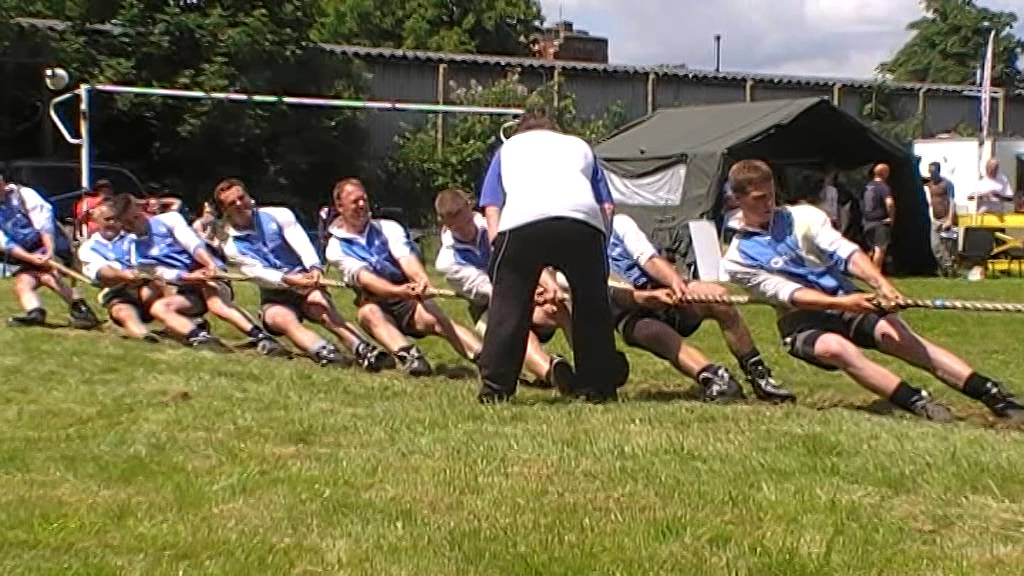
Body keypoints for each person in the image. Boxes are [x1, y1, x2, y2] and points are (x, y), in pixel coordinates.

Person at [722, 159, 1024, 422]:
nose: (768, 205)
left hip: (848, 298)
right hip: (802, 319)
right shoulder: (737, 258)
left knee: (899, 338)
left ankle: (994, 396)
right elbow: (786, 293)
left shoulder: (804, 216)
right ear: (737, 198)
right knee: (837, 349)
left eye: (771, 195)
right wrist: (844, 304)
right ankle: (917, 402)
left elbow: (845, 252)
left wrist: (882, 285)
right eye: (759, 198)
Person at [477, 110, 629, 403]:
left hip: (523, 223)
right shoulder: (580, 146)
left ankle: (495, 389)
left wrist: (501, 250)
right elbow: (607, 206)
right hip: (583, 223)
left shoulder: (508, 149)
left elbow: (492, 205)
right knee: (591, 306)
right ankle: (597, 386)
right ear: (557, 131)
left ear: (520, 131)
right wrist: (599, 247)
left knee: (509, 308)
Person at [607, 212, 794, 403]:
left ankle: (758, 375)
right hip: (628, 311)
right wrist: (644, 298)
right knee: (654, 333)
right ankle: (716, 379)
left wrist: (676, 285)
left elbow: (649, 258)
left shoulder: (619, 223)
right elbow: (607, 291)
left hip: (661, 290)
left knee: (718, 297)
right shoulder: (580, 242)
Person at [214, 178, 391, 370]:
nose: (240, 204)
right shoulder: (232, 247)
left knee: (320, 306)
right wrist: (287, 280)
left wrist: (314, 268)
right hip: (276, 292)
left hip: (306, 281)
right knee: (279, 318)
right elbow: (258, 273)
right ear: (225, 211)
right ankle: (324, 351)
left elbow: (301, 242)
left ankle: (362, 348)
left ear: (249, 196)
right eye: (232, 203)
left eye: (242, 197)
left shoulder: (279, 215)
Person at [325, 178, 481, 376]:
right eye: (355, 201)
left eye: (364, 199)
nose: (362, 205)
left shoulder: (388, 228)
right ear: (340, 206)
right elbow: (364, 278)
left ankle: (486, 360)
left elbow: (406, 258)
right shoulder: (335, 247)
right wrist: (396, 291)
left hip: (406, 297)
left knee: (437, 319)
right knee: (368, 314)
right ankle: (411, 357)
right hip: (376, 299)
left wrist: (421, 280)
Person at [110, 192, 287, 354]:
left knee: (216, 304)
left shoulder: (170, 219)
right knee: (159, 308)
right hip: (187, 287)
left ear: (141, 210)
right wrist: (190, 277)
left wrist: (209, 265)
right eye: (129, 222)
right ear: (122, 225)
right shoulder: (135, 252)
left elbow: (191, 243)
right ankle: (200, 337)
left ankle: (261, 337)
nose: (136, 224)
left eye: (136, 217)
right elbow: (163, 273)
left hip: (212, 274)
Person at [433, 188, 574, 389]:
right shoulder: (448, 262)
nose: (463, 228)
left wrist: (549, 286)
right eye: (455, 225)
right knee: (515, 330)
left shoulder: (497, 225)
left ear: (469, 206)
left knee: (559, 308)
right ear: (444, 222)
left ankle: (589, 367)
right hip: (490, 308)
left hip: (528, 291)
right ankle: (554, 374)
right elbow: (488, 290)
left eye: (464, 219)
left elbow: (525, 257)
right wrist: (528, 293)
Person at [0, 172, 100, 329]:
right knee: (24, 283)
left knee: (48, 276)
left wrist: (49, 251)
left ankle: (81, 310)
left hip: (49, 243)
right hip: (24, 253)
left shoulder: (24, 195)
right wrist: (30, 257)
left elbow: (44, 223)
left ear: (3, 183)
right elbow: (4, 242)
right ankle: (36, 313)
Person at [78, 202, 159, 341]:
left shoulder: (133, 239)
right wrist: (123, 275)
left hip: (148, 286)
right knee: (122, 311)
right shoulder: (88, 248)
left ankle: (190, 326)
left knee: (155, 289)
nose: (112, 223)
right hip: (117, 291)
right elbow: (102, 272)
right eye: (107, 219)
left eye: (116, 219)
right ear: (96, 221)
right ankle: (143, 335)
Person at [926, 162, 956, 276]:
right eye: (930, 172)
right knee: (935, 246)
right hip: (935, 219)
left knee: (947, 246)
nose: (932, 174)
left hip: (946, 218)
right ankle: (945, 267)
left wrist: (949, 219)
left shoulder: (947, 184)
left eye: (934, 172)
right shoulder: (929, 183)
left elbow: (952, 201)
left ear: (938, 171)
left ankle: (949, 269)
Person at [862, 163, 894, 270]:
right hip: (880, 222)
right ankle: (876, 274)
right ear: (885, 173)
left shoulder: (867, 186)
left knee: (871, 250)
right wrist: (891, 217)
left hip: (867, 222)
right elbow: (889, 203)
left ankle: (866, 272)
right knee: (879, 249)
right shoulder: (883, 187)